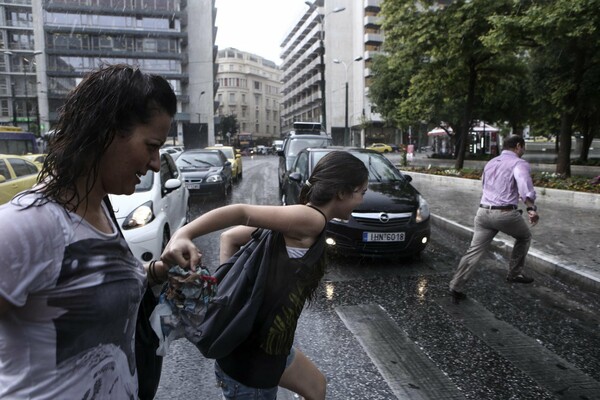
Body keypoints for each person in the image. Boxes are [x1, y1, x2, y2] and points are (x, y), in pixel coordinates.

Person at [0, 64, 176, 398]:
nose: (155, 162)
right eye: (151, 146)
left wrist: (157, 271)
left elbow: (85, 283)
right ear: (107, 132)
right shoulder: (26, 226)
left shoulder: (101, 208)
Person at [161, 151, 369, 400]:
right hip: (251, 367)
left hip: (270, 348)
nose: (362, 200)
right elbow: (240, 212)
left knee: (316, 387)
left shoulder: (298, 218)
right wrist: (183, 234)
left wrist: (227, 295)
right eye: (361, 193)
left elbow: (231, 237)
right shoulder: (311, 219)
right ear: (342, 193)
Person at [449, 135, 540, 303]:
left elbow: (485, 185)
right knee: (524, 236)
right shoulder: (519, 164)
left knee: (474, 251)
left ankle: (456, 285)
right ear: (518, 146)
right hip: (505, 214)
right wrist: (531, 208)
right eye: (523, 147)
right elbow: (524, 187)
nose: (524, 151)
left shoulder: (491, 163)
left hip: (483, 213)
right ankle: (514, 273)